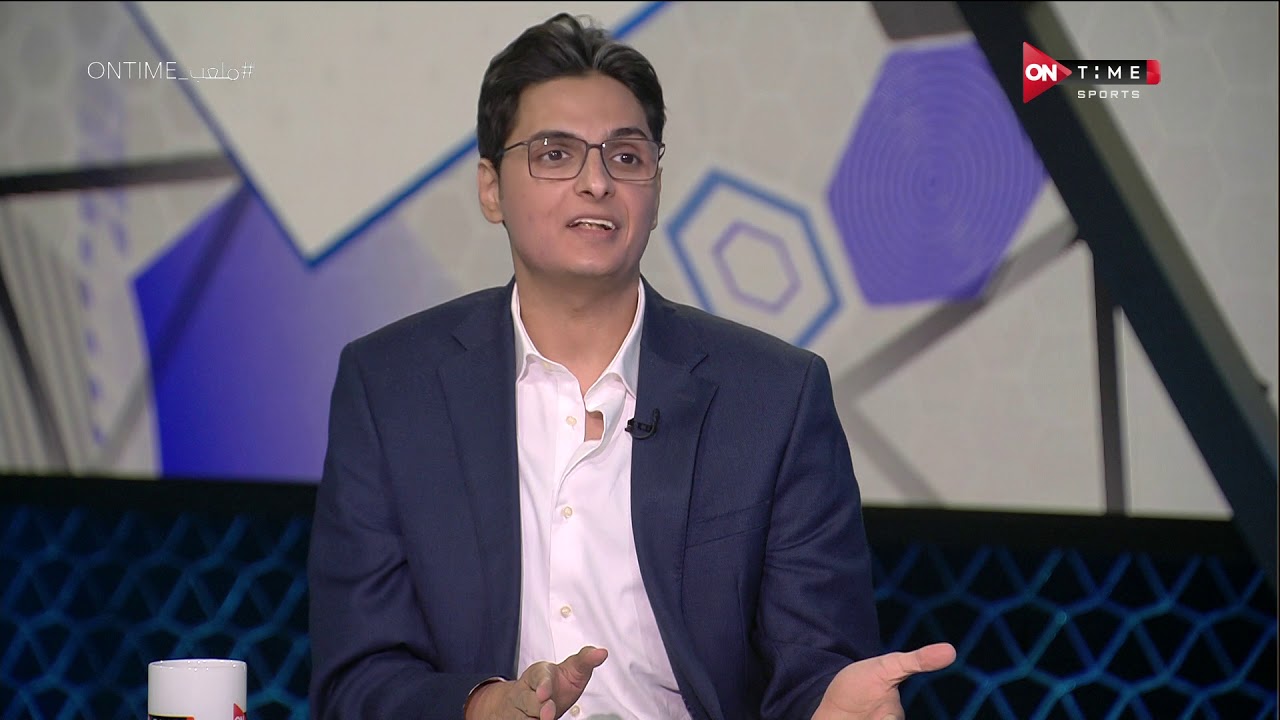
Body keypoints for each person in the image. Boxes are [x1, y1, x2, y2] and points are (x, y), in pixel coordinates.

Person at [307, 11, 955, 720]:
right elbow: (357, 680)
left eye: (625, 156)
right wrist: (485, 709)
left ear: (655, 185)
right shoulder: (391, 388)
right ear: (491, 188)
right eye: (556, 154)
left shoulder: (773, 397)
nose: (596, 182)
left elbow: (814, 667)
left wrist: (831, 706)